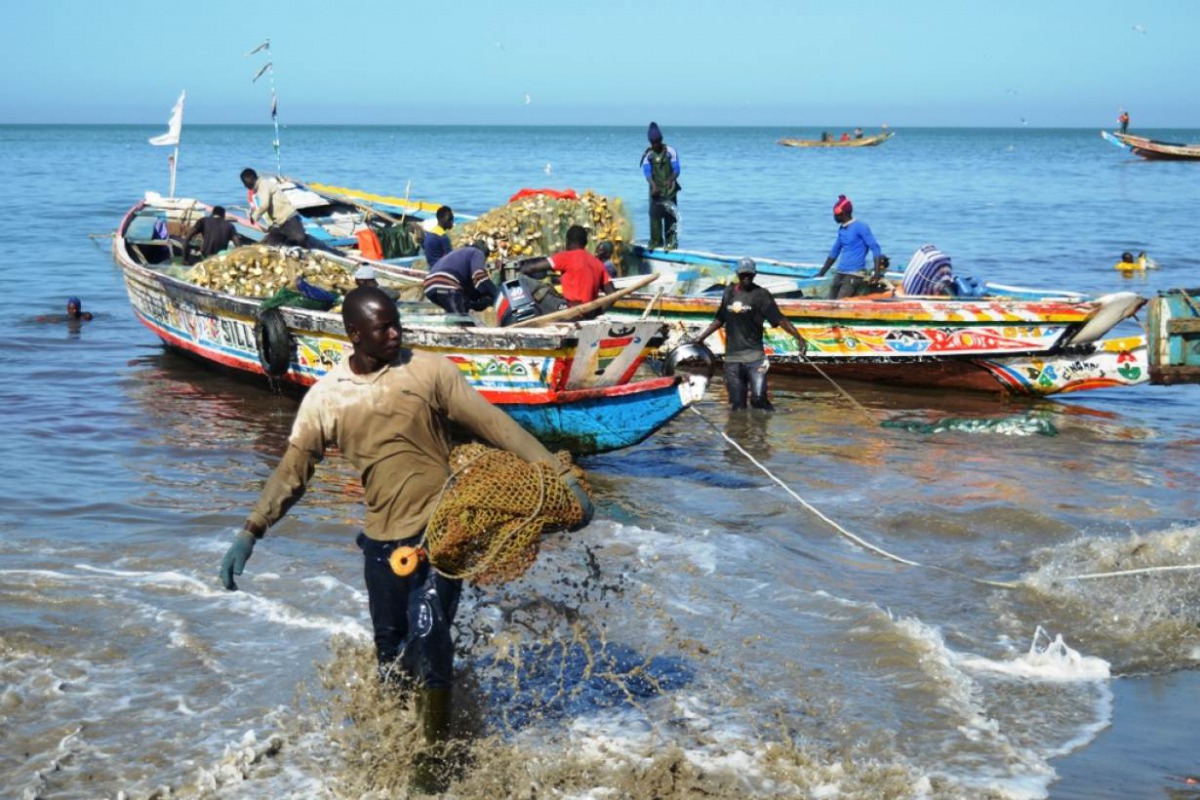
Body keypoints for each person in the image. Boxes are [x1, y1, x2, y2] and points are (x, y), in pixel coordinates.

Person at [218, 286, 593, 792]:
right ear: (354, 335)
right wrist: (252, 530)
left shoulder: (429, 372)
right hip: (380, 546)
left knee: (430, 628)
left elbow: (494, 424)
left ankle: (437, 756)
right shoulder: (327, 398)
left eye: (398, 324)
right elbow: (293, 472)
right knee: (391, 650)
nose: (396, 333)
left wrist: (556, 472)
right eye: (383, 328)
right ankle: (394, 735)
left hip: (442, 530)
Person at [693, 258, 807, 411]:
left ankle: (763, 429)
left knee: (758, 399)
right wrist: (701, 338)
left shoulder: (761, 295)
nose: (746, 278)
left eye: (749, 275)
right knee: (737, 406)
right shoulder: (729, 293)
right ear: (737, 274)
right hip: (733, 360)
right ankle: (740, 432)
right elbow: (719, 319)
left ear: (755, 275)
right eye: (743, 275)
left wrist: (799, 338)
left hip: (755, 359)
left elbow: (780, 319)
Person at [519, 225, 614, 315]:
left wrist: (520, 268)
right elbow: (612, 294)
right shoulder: (597, 263)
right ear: (585, 243)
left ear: (568, 242)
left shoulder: (567, 256)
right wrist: (596, 312)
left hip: (569, 310)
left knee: (526, 281)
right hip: (588, 312)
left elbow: (532, 267)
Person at [817, 195, 886, 299]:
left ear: (844, 214)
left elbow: (875, 248)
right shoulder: (842, 229)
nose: (834, 217)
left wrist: (876, 273)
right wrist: (821, 273)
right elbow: (834, 252)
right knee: (829, 299)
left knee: (840, 301)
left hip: (855, 274)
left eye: (836, 215)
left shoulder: (861, 227)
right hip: (840, 272)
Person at [422, 241, 500, 315]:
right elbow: (479, 276)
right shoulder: (477, 252)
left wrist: (478, 302)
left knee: (460, 315)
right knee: (462, 321)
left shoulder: (460, 255)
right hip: (446, 283)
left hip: (429, 285)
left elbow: (467, 296)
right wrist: (497, 293)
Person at [639, 122, 680, 251]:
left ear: (661, 140)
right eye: (652, 142)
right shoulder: (648, 155)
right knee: (655, 217)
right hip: (655, 189)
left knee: (670, 216)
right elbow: (647, 172)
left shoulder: (670, 152)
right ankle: (656, 242)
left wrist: (671, 179)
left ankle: (671, 243)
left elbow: (677, 168)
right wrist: (653, 185)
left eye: (657, 142)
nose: (655, 145)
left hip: (669, 189)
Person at [240, 168, 306, 247]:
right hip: (278, 224)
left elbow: (265, 205)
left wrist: (254, 217)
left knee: (299, 239)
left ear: (250, 178)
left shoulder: (264, 184)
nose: (245, 185)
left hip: (289, 218)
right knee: (272, 245)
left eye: (245, 182)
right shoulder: (259, 189)